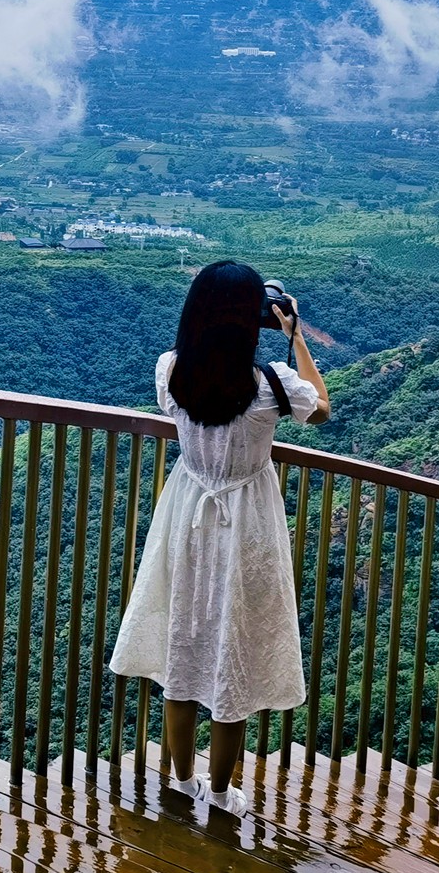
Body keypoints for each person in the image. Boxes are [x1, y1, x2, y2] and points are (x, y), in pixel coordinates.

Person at [109, 260, 330, 817]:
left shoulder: (171, 371)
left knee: (184, 648)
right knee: (236, 647)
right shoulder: (271, 388)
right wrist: (295, 335)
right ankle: (224, 791)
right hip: (246, 525)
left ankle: (181, 782)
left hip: (186, 518)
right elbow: (321, 409)